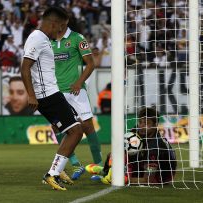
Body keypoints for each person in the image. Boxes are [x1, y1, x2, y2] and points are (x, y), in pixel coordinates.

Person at [20, 7, 83, 191]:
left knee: (72, 129)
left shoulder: (44, 39)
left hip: (52, 93)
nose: (61, 31)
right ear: (54, 23)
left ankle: (58, 170)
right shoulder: (37, 38)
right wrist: (31, 95)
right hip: (47, 95)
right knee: (76, 131)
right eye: (61, 27)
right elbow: (25, 68)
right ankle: (52, 174)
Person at [50, 7, 102, 180]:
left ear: (64, 22)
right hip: (56, 92)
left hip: (75, 92)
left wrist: (79, 82)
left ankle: (99, 166)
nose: (53, 24)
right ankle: (76, 165)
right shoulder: (48, 41)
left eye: (56, 21)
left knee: (87, 127)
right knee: (58, 127)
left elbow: (91, 63)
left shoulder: (77, 39)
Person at [86, 107, 177, 185]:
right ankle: (105, 172)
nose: (141, 126)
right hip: (144, 164)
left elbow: (148, 180)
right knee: (116, 153)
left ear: (155, 125)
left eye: (146, 123)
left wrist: (122, 180)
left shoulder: (155, 146)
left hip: (160, 177)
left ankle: (114, 176)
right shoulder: (137, 130)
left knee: (126, 159)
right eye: (140, 122)